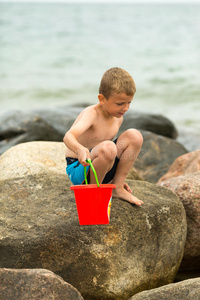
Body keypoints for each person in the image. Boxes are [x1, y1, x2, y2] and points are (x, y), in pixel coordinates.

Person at [63, 67, 143, 205]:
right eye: (120, 104)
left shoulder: (118, 118)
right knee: (108, 147)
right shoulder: (92, 114)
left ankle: (117, 187)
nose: (126, 108)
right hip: (80, 169)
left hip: (100, 168)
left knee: (134, 136)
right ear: (102, 99)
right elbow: (68, 136)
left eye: (129, 102)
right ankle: (93, 192)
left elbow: (109, 155)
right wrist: (80, 149)